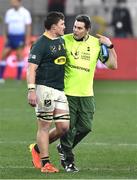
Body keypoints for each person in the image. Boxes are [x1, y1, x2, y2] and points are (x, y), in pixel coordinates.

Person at [29, 15, 117, 172]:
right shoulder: (64, 40)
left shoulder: (96, 44)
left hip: (87, 94)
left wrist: (110, 46)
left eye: (79, 28)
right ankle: (67, 160)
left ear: (88, 30)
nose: (75, 30)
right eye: (74, 26)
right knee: (66, 129)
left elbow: (113, 65)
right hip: (67, 92)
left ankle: (41, 147)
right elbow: (45, 51)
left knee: (85, 127)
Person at [27, 11, 70, 173]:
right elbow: (31, 68)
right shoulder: (40, 44)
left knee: (64, 127)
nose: (64, 26)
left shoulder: (61, 40)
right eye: (62, 24)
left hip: (60, 89)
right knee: (44, 126)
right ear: (53, 27)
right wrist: (31, 90)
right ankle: (46, 164)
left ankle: (37, 148)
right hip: (44, 89)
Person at [0, 0, 32, 83]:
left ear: (19, 2)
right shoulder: (9, 12)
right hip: (10, 36)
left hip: (20, 36)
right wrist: (5, 36)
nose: (12, 3)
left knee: (19, 56)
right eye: (11, 2)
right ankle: (1, 76)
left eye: (14, 1)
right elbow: (6, 26)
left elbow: (28, 26)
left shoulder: (25, 12)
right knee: (3, 55)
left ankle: (18, 77)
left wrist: (27, 38)